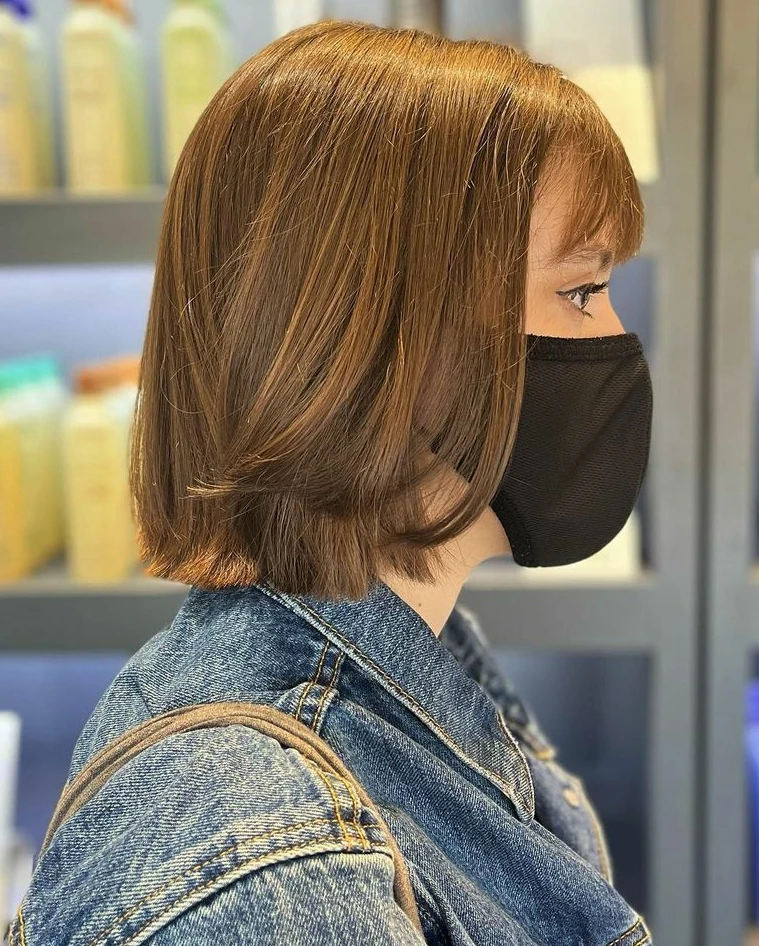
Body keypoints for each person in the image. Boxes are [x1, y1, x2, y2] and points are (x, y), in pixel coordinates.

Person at [10, 18, 653, 946]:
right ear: (378, 343)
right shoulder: (271, 866)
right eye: (581, 292)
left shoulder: (421, 663)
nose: (616, 340)